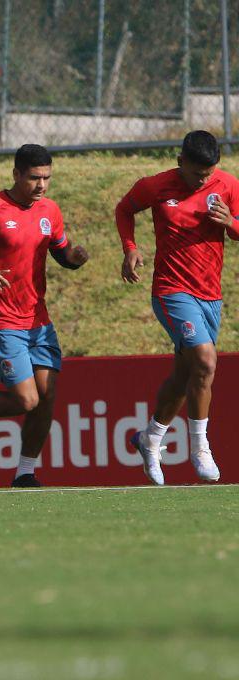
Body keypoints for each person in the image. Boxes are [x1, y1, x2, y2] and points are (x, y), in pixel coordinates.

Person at [0, 144, 89, 487]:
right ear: (16, 174)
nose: (41, 185)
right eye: (34, 178)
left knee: (46, 396)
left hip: (38, 318)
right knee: (26, 399)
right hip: (3, 317)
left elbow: (60, 253)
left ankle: (25, 472)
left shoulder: (49, 211)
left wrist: (74, 258)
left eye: (46, 178)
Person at [115, 130, 238, 485]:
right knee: (205, 360)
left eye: (209, 172)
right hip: (172, 291)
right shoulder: (157, 186)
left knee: (186, 376)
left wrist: (230, 222)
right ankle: (199, 448)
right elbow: (125, 209)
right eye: (197, 172)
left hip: (210, 295)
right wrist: (129, 247)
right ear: (180, 160)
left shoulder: (228, 185)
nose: (204, 179)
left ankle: (149, 438)